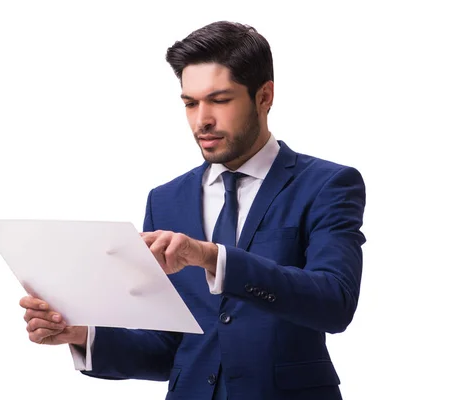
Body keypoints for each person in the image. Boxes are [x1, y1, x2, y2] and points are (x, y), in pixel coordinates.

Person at [19, 21, 366, 400]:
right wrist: (82, 335)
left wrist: (211, 257)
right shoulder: (165, 199)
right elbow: (173, 348)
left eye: (219, 100)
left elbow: (335, 303)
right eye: (190, 103)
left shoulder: (327, 184)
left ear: (264, 96)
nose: (202, 120)